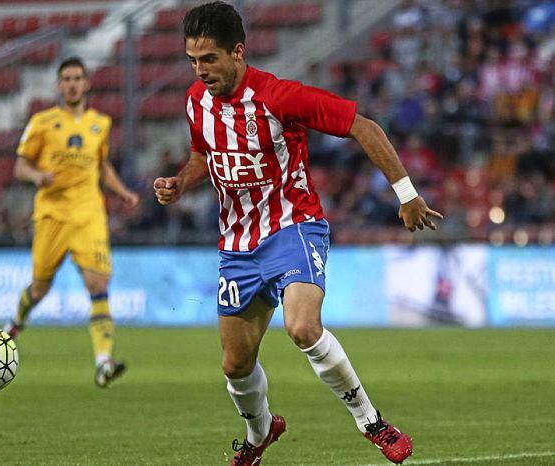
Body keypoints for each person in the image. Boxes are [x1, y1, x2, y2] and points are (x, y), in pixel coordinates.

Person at [153, 2, 443, 464]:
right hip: (237, 246)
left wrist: (406, 195)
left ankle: (372, 422)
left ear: (238, 52)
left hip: (293, 227)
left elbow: (362, 126)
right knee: (235, 364)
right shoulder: (195, 102)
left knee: (303, 326)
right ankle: (260, 432)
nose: (199, 70)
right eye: (192, 60)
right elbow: (202, 156)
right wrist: (178, 183)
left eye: (208, 59)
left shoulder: (278, 96)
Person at [6, 57, 139, 388]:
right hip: (51, 214)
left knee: (98, 282)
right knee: (39, 287)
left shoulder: (100, 123)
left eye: (78, 78)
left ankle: (103, 361)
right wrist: (37, 175)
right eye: (66, 79)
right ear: (58, 85)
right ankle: (15, 324)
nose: (72, 84)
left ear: (87, 82)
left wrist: (122, 192)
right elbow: (19, 167)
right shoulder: (42, 122)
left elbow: (102, 165)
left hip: (88, 213)